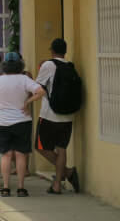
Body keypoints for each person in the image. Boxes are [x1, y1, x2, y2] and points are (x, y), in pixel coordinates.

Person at [0, 51, 45, 197]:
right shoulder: (24, 79)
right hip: (22, 122)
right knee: (21, 155)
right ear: (20, 64)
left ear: (5, 65)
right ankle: (20, 188)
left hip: (3, 122)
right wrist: (28, 102)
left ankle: (6, 188)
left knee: (6, 156)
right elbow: (40, 91)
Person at [35, 38, 80, 194]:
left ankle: (67, 173)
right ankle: (57, 184)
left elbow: (38, 87)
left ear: (52, 51)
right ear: (65, 51)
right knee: (62, 149)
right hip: (68, 116)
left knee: (40, 147)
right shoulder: (70, 66)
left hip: (49, 114)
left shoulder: (48, 65)